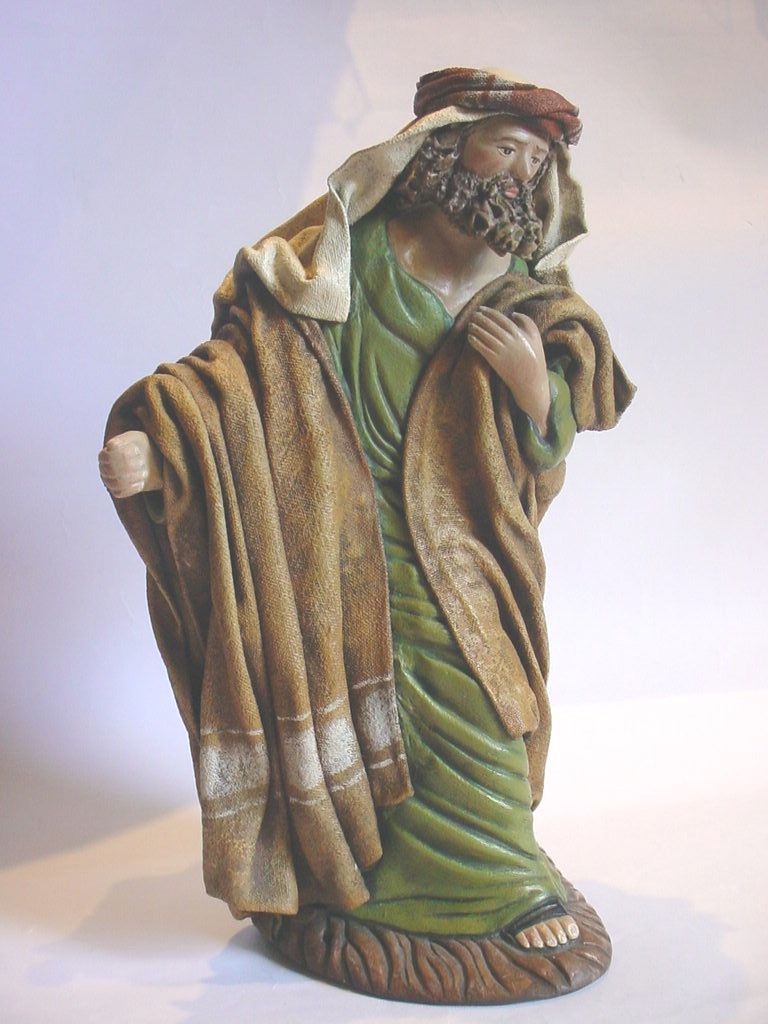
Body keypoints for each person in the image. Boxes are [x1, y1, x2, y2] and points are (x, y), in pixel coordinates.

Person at [100, 68, 634, 1001]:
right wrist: (167, 447)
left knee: (486, 707)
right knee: (355, 707)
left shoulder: (525, 295)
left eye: (538, 160)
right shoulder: (336, 262)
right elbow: (244, 379)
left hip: (462, 544)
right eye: (506, 148)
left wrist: (531, 388)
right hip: (330, 536)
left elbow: (560, 422)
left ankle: (497, 880)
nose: (522, 174)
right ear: (442, 150)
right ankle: (368, 884)